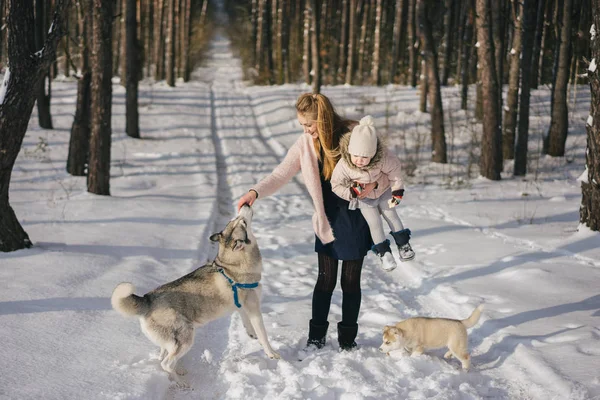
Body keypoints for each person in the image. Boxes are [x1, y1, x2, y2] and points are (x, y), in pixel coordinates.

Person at [236, 93, 374, 351]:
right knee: (325, 279)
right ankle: (316, 337)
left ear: (323, 119)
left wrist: (374, 185)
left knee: (351, 281)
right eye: (302, 125)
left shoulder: (353, 133)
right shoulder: (305, 144)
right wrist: (255, 192)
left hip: (356, 216)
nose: (306, 130)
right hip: (327, 219)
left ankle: (347, 339)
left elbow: (380, 163)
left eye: (309, 125)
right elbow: (280, 174)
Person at [330, 115, 415, 272]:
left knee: (391, 215)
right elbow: (335, 185)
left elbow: (394, 173)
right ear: (350, 151)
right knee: (374, 223)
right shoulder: (344, 165)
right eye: (356, 155)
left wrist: (397, 191)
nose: (359, 160)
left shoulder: (383, 158)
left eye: (365, 157)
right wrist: (351, 192)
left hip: (383, 191)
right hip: (364, 199)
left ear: (373, 153)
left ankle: (404, 245)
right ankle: (384, 254)